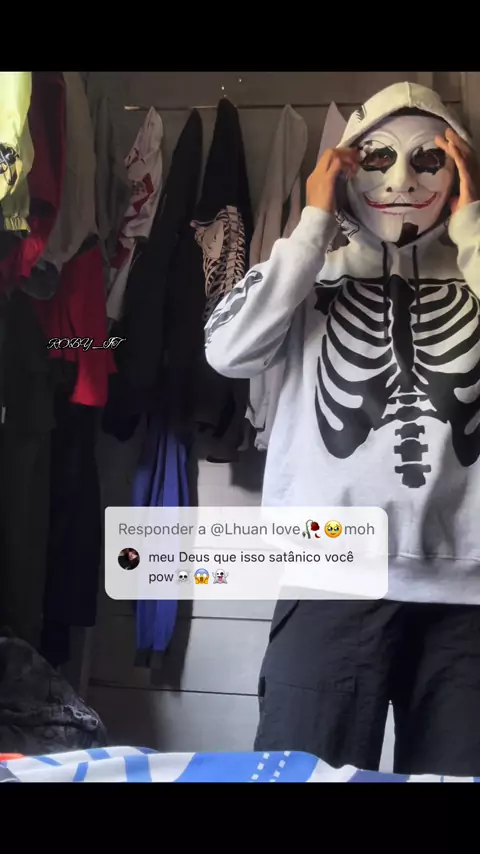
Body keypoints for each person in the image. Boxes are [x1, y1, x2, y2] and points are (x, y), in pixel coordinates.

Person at [204, 81, 480, 776]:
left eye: (429, 160)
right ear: (345, 167)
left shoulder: (476, 269)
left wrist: (474, 231)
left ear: (461, 171)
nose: (401, 181)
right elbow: (227, 351)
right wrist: (310, 229)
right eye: (377, 158)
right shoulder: (305, 273)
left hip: (468, 591)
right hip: (328, 574)